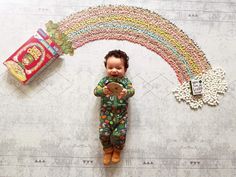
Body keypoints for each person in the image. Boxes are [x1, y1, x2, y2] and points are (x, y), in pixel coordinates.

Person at [94, 50, 135, 165]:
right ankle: (107, 150)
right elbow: (96, 91)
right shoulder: (104, 81)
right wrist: (103, 91)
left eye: (118, 67)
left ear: (125, 69)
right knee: (103, 134)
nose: (114, 70)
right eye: (110, 67)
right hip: (106, 115)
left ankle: (117, 150)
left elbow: (132, 91)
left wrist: (126, 92)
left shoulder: (125, 81)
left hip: (121, 116)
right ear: (106, 68)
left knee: (119, 134)